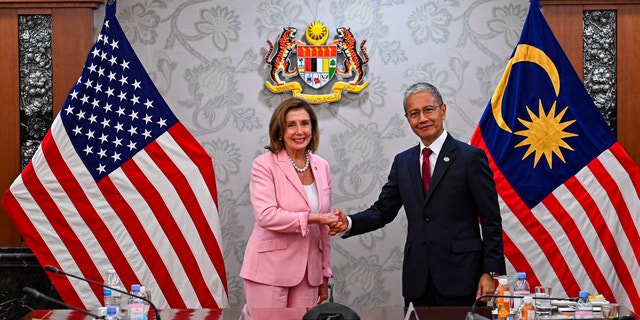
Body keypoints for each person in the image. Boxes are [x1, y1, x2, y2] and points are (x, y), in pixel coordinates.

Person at [331, 82, 506, 307]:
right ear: (408, 119)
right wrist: (349, 222)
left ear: (442, 111)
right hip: (418, 281)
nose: (422, 118)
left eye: (428, 110)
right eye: (414, 113)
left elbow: (491, 220)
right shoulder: (403, 162)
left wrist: (491, 272)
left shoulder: (470, 158)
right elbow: (383, 211)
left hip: (463, 277)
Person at [240, 97, 340, 310]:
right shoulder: (264, 165)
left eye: (305, 123)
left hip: (308, 275)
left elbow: (324, 228)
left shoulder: (322, 166)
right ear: (279, 131)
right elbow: (266, 215)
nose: (299, 131)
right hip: (269, 271)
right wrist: (312, 217)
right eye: (291, 125)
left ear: (312, 128)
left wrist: (324, 271)